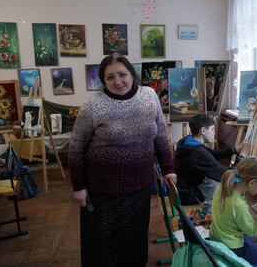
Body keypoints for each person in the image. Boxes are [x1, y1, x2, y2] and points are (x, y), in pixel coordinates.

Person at [69, 53, 176, 267]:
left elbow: (161, 136)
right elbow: (76, 149)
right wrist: (79, 187)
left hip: (139, 189)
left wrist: (168, 169)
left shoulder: (149, 96)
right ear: (103, 81)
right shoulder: (93, 106)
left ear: (132, 74)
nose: (118, 81)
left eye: (122, 74)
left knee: (135, 242)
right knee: (104, 246)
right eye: (110, 77)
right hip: (103, 193)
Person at [173, 114, 245, 214]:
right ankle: (209, 213)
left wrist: (235, 150)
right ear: (203, 131)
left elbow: (212, 154)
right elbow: (226, 175)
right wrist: (242, 157)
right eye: (212, 130)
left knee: (214, 182)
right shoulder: (197, 152)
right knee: (226, 185)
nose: (214, 133)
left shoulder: (187, 141)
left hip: (183, 187)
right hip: (189, 195)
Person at [210, 156, 257, 267]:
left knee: (251, 239)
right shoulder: (239, 205)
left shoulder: (223, 186)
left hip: (216, 236)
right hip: (231, 248)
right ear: (252, 183)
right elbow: (252, 230)